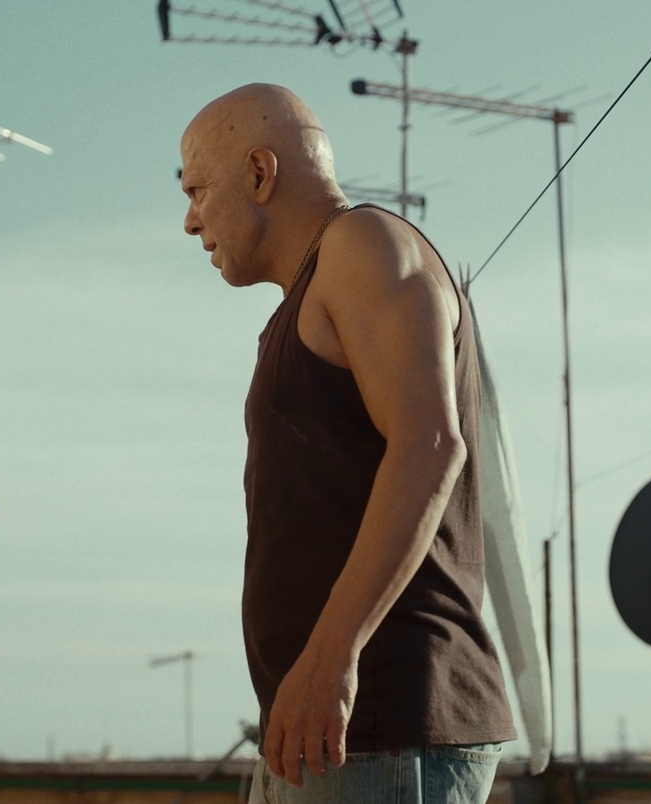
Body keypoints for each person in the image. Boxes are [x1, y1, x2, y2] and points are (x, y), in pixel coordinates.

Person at [178, 84, 516, 804]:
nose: (190, 220)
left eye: (197, 190)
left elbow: (430, 444)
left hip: (383, 727)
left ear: (260, 173)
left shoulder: (362, 243)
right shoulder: (311, 290)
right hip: (324, 732)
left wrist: (332, 657)